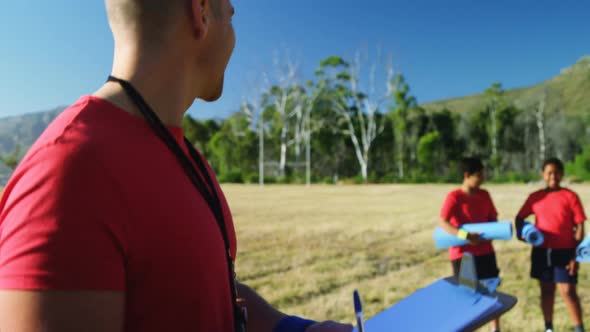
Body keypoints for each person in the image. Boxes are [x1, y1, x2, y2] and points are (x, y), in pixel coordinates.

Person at [0, 1, 352, 331]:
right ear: (200, 11)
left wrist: (294, 329)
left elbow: (212, 292)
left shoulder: (188, 158)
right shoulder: (68, 175)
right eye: (230, 16)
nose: (234, 35)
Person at [515, 158, 586, 332]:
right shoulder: (536, 197)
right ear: (543, 175)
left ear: (562, 174)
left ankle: (579, 328)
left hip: (566, 251)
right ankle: (549, 327)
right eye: (549, 172)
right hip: (542, 251)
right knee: (546, 291)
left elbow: (580, 226)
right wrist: (523, 234)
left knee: (568, 291)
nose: (553, 176)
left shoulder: (570, 196)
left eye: (557, 172)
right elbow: (519, 218)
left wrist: (576, 256)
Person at [439, 157, 502, 332]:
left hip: (486, 253)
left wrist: (492, 231)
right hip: (463, 256)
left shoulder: (485, 195)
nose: (483, 178)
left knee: (491, 291)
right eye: (479, 175)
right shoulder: (454, 197)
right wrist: (465, 235)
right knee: (466, 296)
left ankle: (495, 329)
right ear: (467, 175)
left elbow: (493, 218)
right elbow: (444, 222)